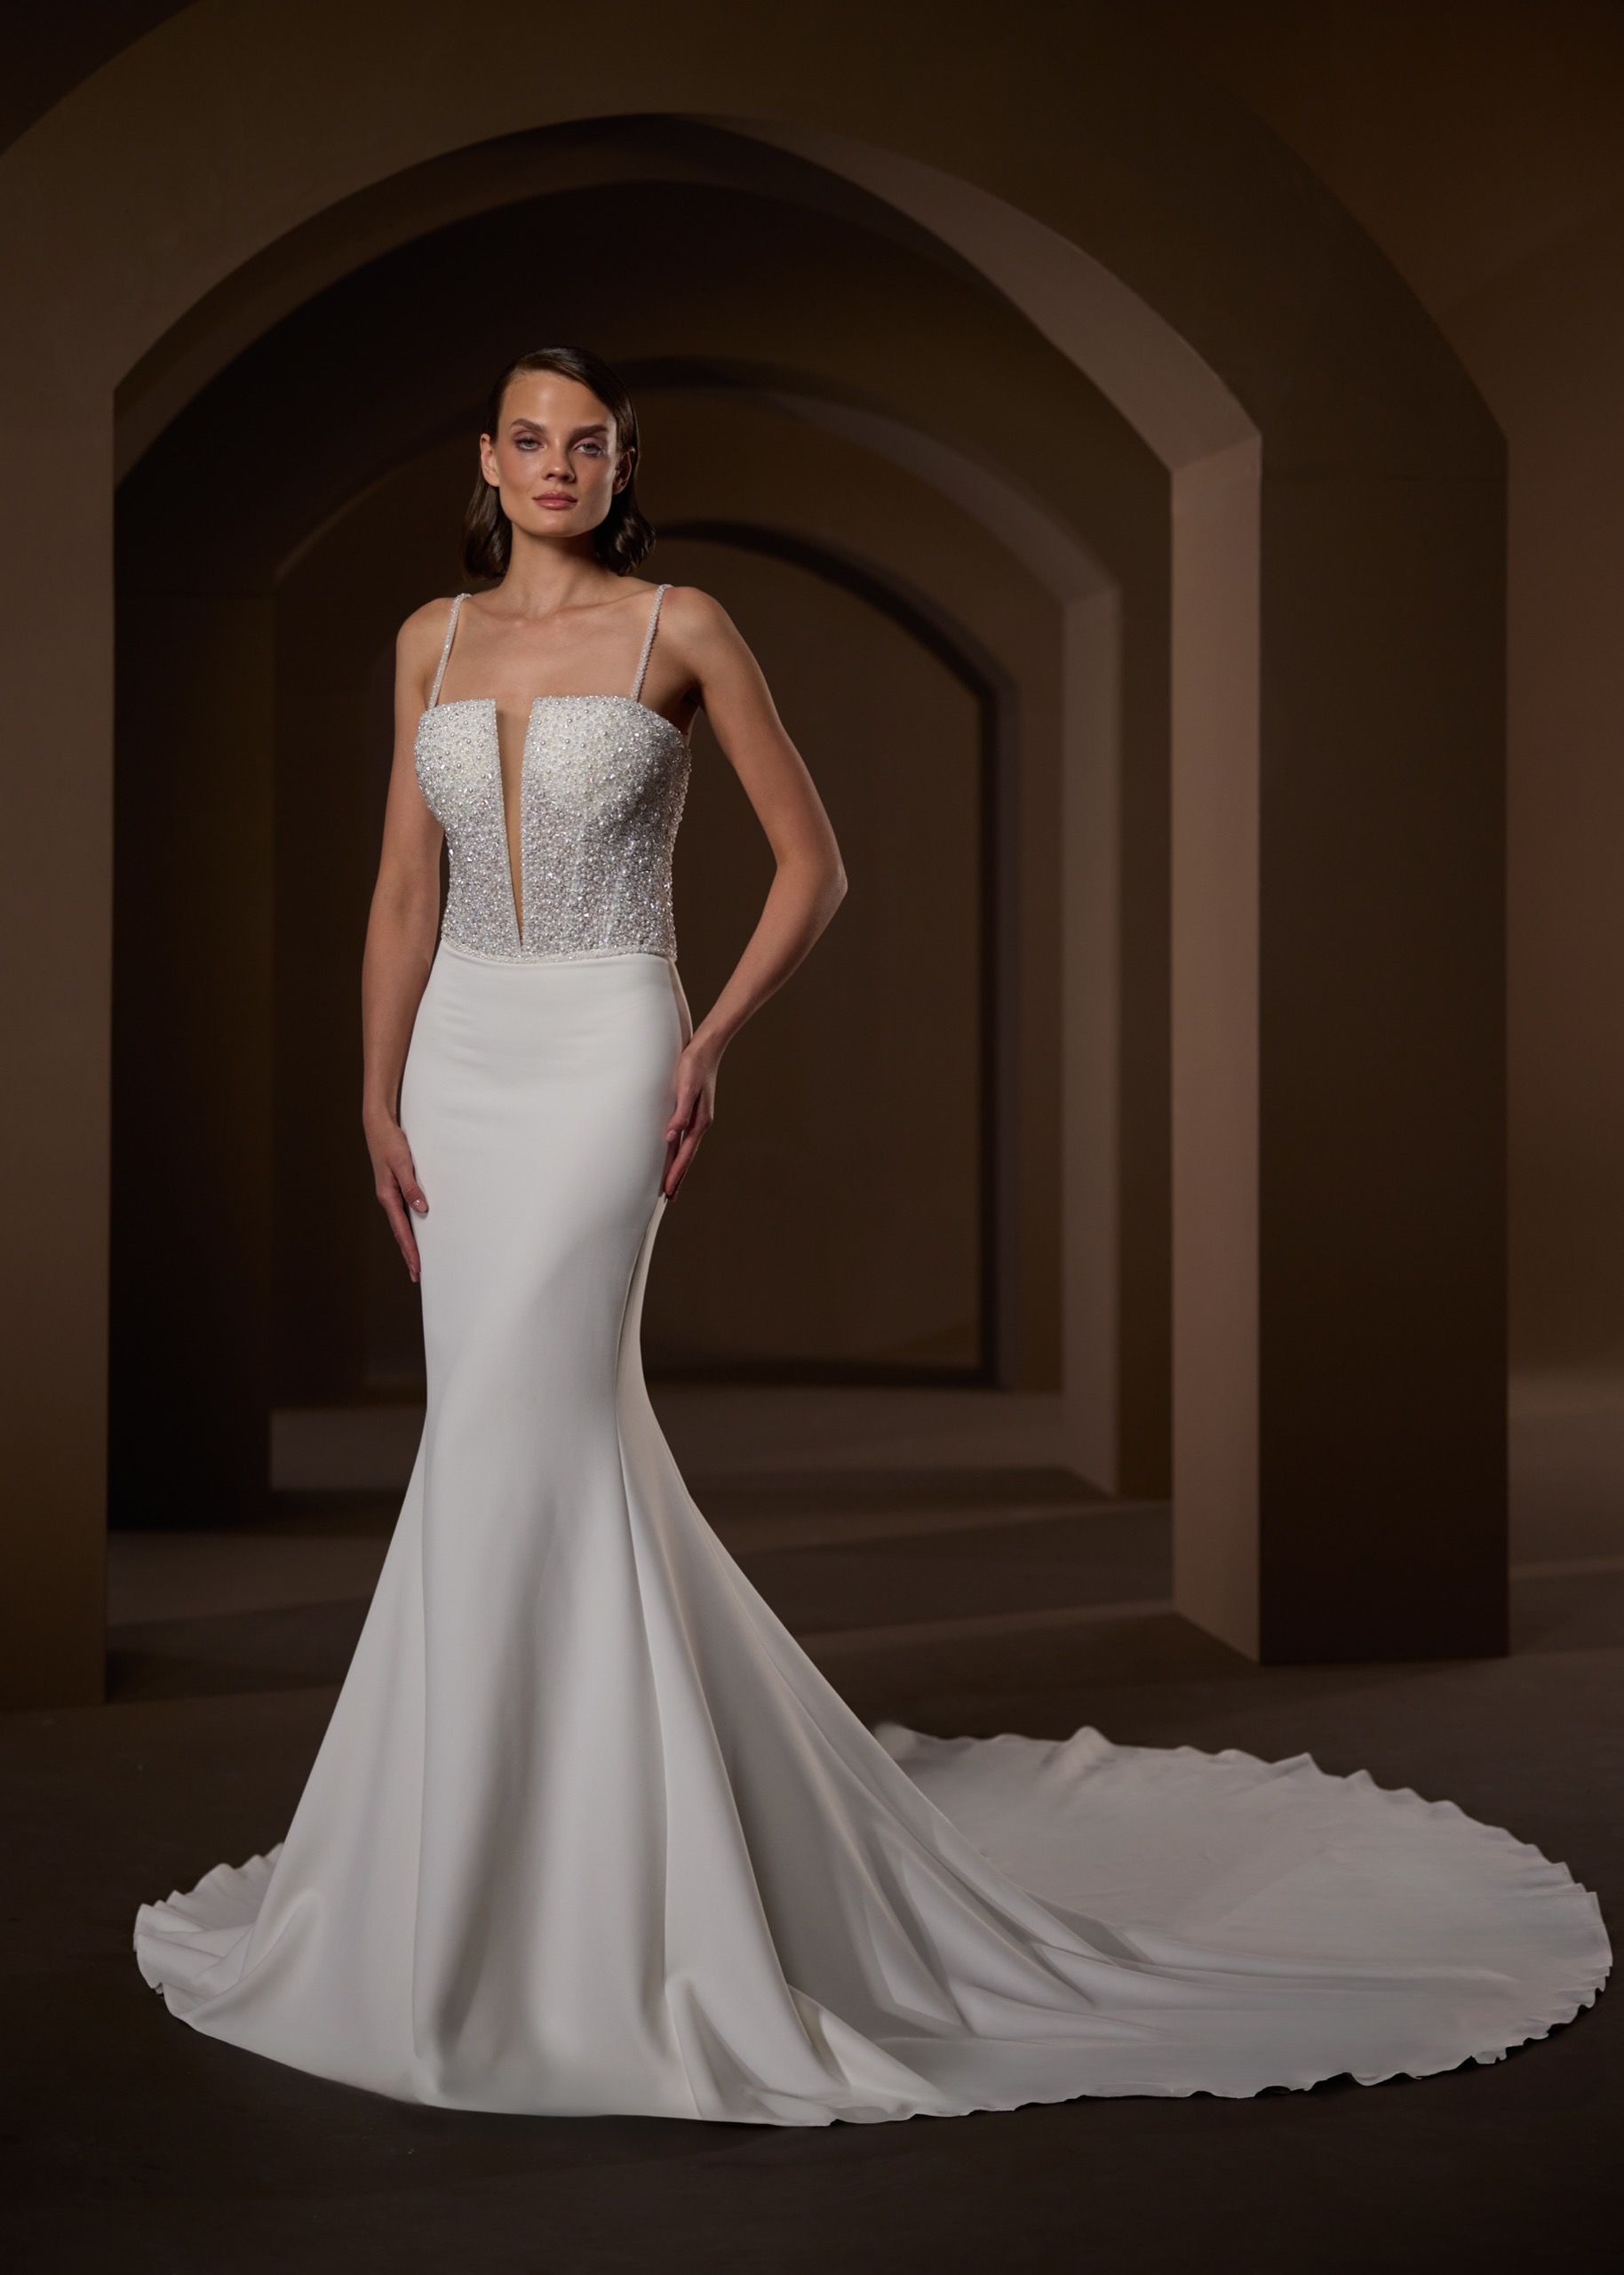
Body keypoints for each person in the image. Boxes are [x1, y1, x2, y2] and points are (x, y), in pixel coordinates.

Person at [133, 346, 1610, 2123]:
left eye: (588, 443)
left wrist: (703, 1043)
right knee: (488, 1434)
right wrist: (373, 1096)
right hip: (457, 1058)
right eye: (529, 439)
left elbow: (814, 863)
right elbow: (397, 890)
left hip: (605, 1041)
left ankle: (572, 1888)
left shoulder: (683, 625)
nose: (557, 465)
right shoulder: (424, 641)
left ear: (620, 466)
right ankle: (484, 1858)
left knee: (541, 1420)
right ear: (489, 461)